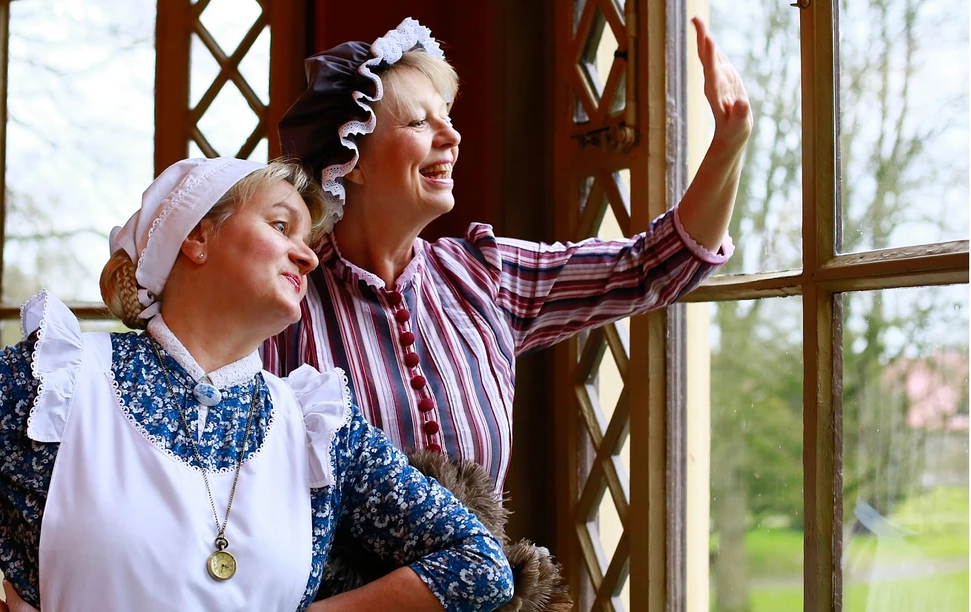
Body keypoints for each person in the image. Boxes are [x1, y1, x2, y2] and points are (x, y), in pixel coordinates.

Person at [0, 157, 514, 611]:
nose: (307, 252)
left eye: (309, 238)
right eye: (281, 222)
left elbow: (480, 567)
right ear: (194, 240)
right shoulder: (61, 385)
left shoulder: (320, 429)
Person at [268, 16, 751, 494]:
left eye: (448, 118)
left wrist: (729, 144)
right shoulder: (281, 301)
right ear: (350, 160)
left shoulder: (482, 275)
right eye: (419, 122)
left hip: (486, 575)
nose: (452, 137)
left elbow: (653, 267)